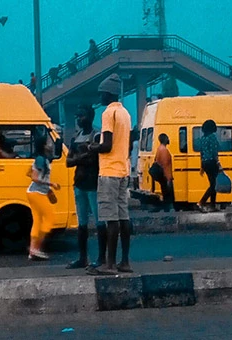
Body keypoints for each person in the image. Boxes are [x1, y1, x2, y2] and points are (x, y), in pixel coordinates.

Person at [87, 73, 132, 275]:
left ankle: (110, 264)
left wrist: (92, 147)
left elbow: (106, 145)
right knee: (124, 217)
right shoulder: (126, 114)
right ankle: (125, 262)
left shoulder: (108, 114)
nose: (99, 98)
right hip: (123, 170)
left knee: (110, 218)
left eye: (101, 94)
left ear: (108, 94)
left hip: (109, 172)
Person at [65, 105, 105, 269]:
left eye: (81, 116)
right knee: (82, 224)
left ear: (89, 116)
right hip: (80, 184)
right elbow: (68, 162)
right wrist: (85, 155)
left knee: (99, 222)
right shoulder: (77, 137)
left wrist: (78, 158)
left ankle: (101, 258)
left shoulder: (97, 135)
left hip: (93, 184)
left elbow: (92, 160)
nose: (78, 119)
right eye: (77, 116)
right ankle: (83, 258)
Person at [26, 131, 61, 260]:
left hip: (33, 192)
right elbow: (34, 177)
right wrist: (51, 184)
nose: (51, 145)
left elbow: (28, 173)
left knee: (37, 221)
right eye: (48, 143)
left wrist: (47, 187)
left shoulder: (40, 159)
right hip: (37, 193)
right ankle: (35, 249)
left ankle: (32, 251)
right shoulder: (42, 159)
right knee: (50, 219)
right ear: (43, 146)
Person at [197, 119, 220, 212]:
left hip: (205, 163)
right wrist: (218, 163)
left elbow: (201, 153)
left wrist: (202, 166)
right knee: (214, 185)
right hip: (212, 162)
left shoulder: (202, 138)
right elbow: (215, 151)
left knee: (213, 184)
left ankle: (212, 205)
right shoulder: (212, 137)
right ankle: (202, 202)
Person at [152, 133, 174, 212]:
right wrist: (168, 179)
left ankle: (166, 208)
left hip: (163, 175)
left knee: (165, 192)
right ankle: (168, 209)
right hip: (166, 175)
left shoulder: (159, 149)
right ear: (165, 139)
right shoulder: (164, 150)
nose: (168, 139)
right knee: (167, 193)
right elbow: (165, 165)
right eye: (167, 138)